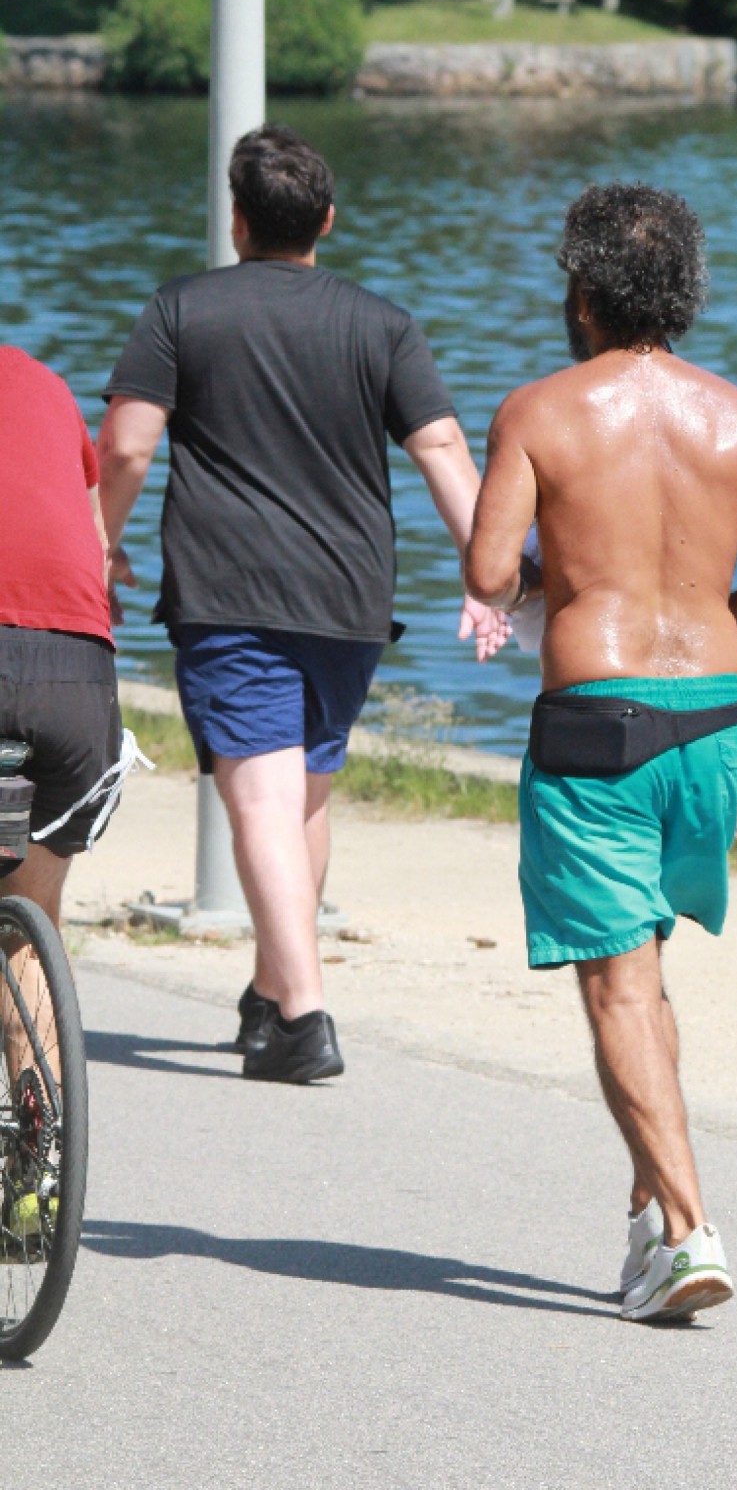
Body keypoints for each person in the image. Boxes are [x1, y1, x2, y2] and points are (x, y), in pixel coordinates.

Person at [465, 182, 737, 1323]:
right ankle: (646, 1214)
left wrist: (554, 584)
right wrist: (733, 609)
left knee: (617, 984)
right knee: (647, 964)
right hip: (716, 726)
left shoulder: (540, 411)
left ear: (584, 293)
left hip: (599, 726)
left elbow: (489, 574)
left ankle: (687, 1232)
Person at [99, 123, 508, 1086]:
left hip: (230, 589)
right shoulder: (383, 323)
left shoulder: (181, 309)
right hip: (351, 596)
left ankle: (304, 1017)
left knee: (263, 796)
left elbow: (125, 447)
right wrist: (485, 570)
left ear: (237, 220)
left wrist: (99, 541)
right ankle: (269, 988)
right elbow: (444, 449)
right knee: (304, 792)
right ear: (327, 219)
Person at [0, 345, 125, 926]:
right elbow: (99, 543)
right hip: (75, 677)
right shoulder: (46, 384)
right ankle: (31, 958)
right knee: (32, 913)